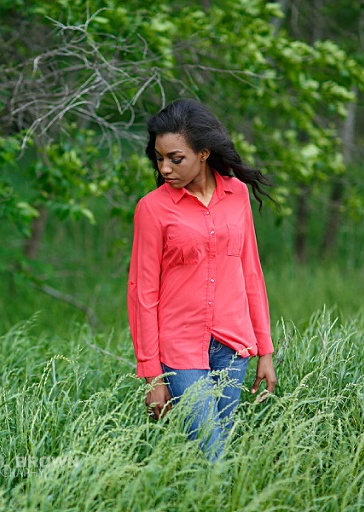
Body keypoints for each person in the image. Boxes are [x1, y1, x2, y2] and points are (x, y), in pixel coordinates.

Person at [127, 98, 277, 460]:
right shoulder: (152, 208)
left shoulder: (236, 194)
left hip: (233, 346)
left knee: (217, 450)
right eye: (159, 158)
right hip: (179, 350)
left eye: (175, 158)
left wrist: (265, 350)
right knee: (210, 452)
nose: (164, 168)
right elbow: (142, 293)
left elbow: (250, 273)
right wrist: (152, 376)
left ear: (204, 153)